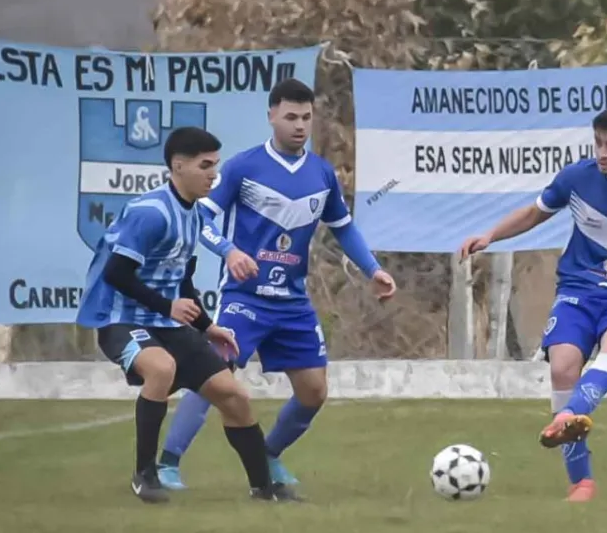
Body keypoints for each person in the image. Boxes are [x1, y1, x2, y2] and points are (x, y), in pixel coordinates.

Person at [155, 78, 396, 495]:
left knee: (314, 391)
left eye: (306, 117)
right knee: (214, 375)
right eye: (290, 117)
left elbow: (343, 228)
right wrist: (230, 252)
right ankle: (167, 464)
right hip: (245, 300)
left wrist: (373, 269)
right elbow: (201, 219)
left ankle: (266, 456)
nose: (299, 125)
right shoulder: (243, 167)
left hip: (293, 304)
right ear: (271, 116)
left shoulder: (321, 173)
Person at [459, 105, 607, 503]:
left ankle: (567, 416)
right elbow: (534, 213)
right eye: (597, 143)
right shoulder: (577, 179)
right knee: (562, 368)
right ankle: (582, 481)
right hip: (579, 290)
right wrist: (491, 235)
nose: (602, 153)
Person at [76, 126, 292, 504]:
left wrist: (209, 328)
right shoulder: (151, 212)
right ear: (178, 166)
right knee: (160, 368)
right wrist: (169, 307)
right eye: (205, 165)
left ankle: (264, 490)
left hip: (165, 322)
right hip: (120, 319)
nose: (214, 175)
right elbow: (116, 273)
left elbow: (183, 282)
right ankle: (145, 476)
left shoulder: (193, 217)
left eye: (216, 166)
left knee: (234, 395)